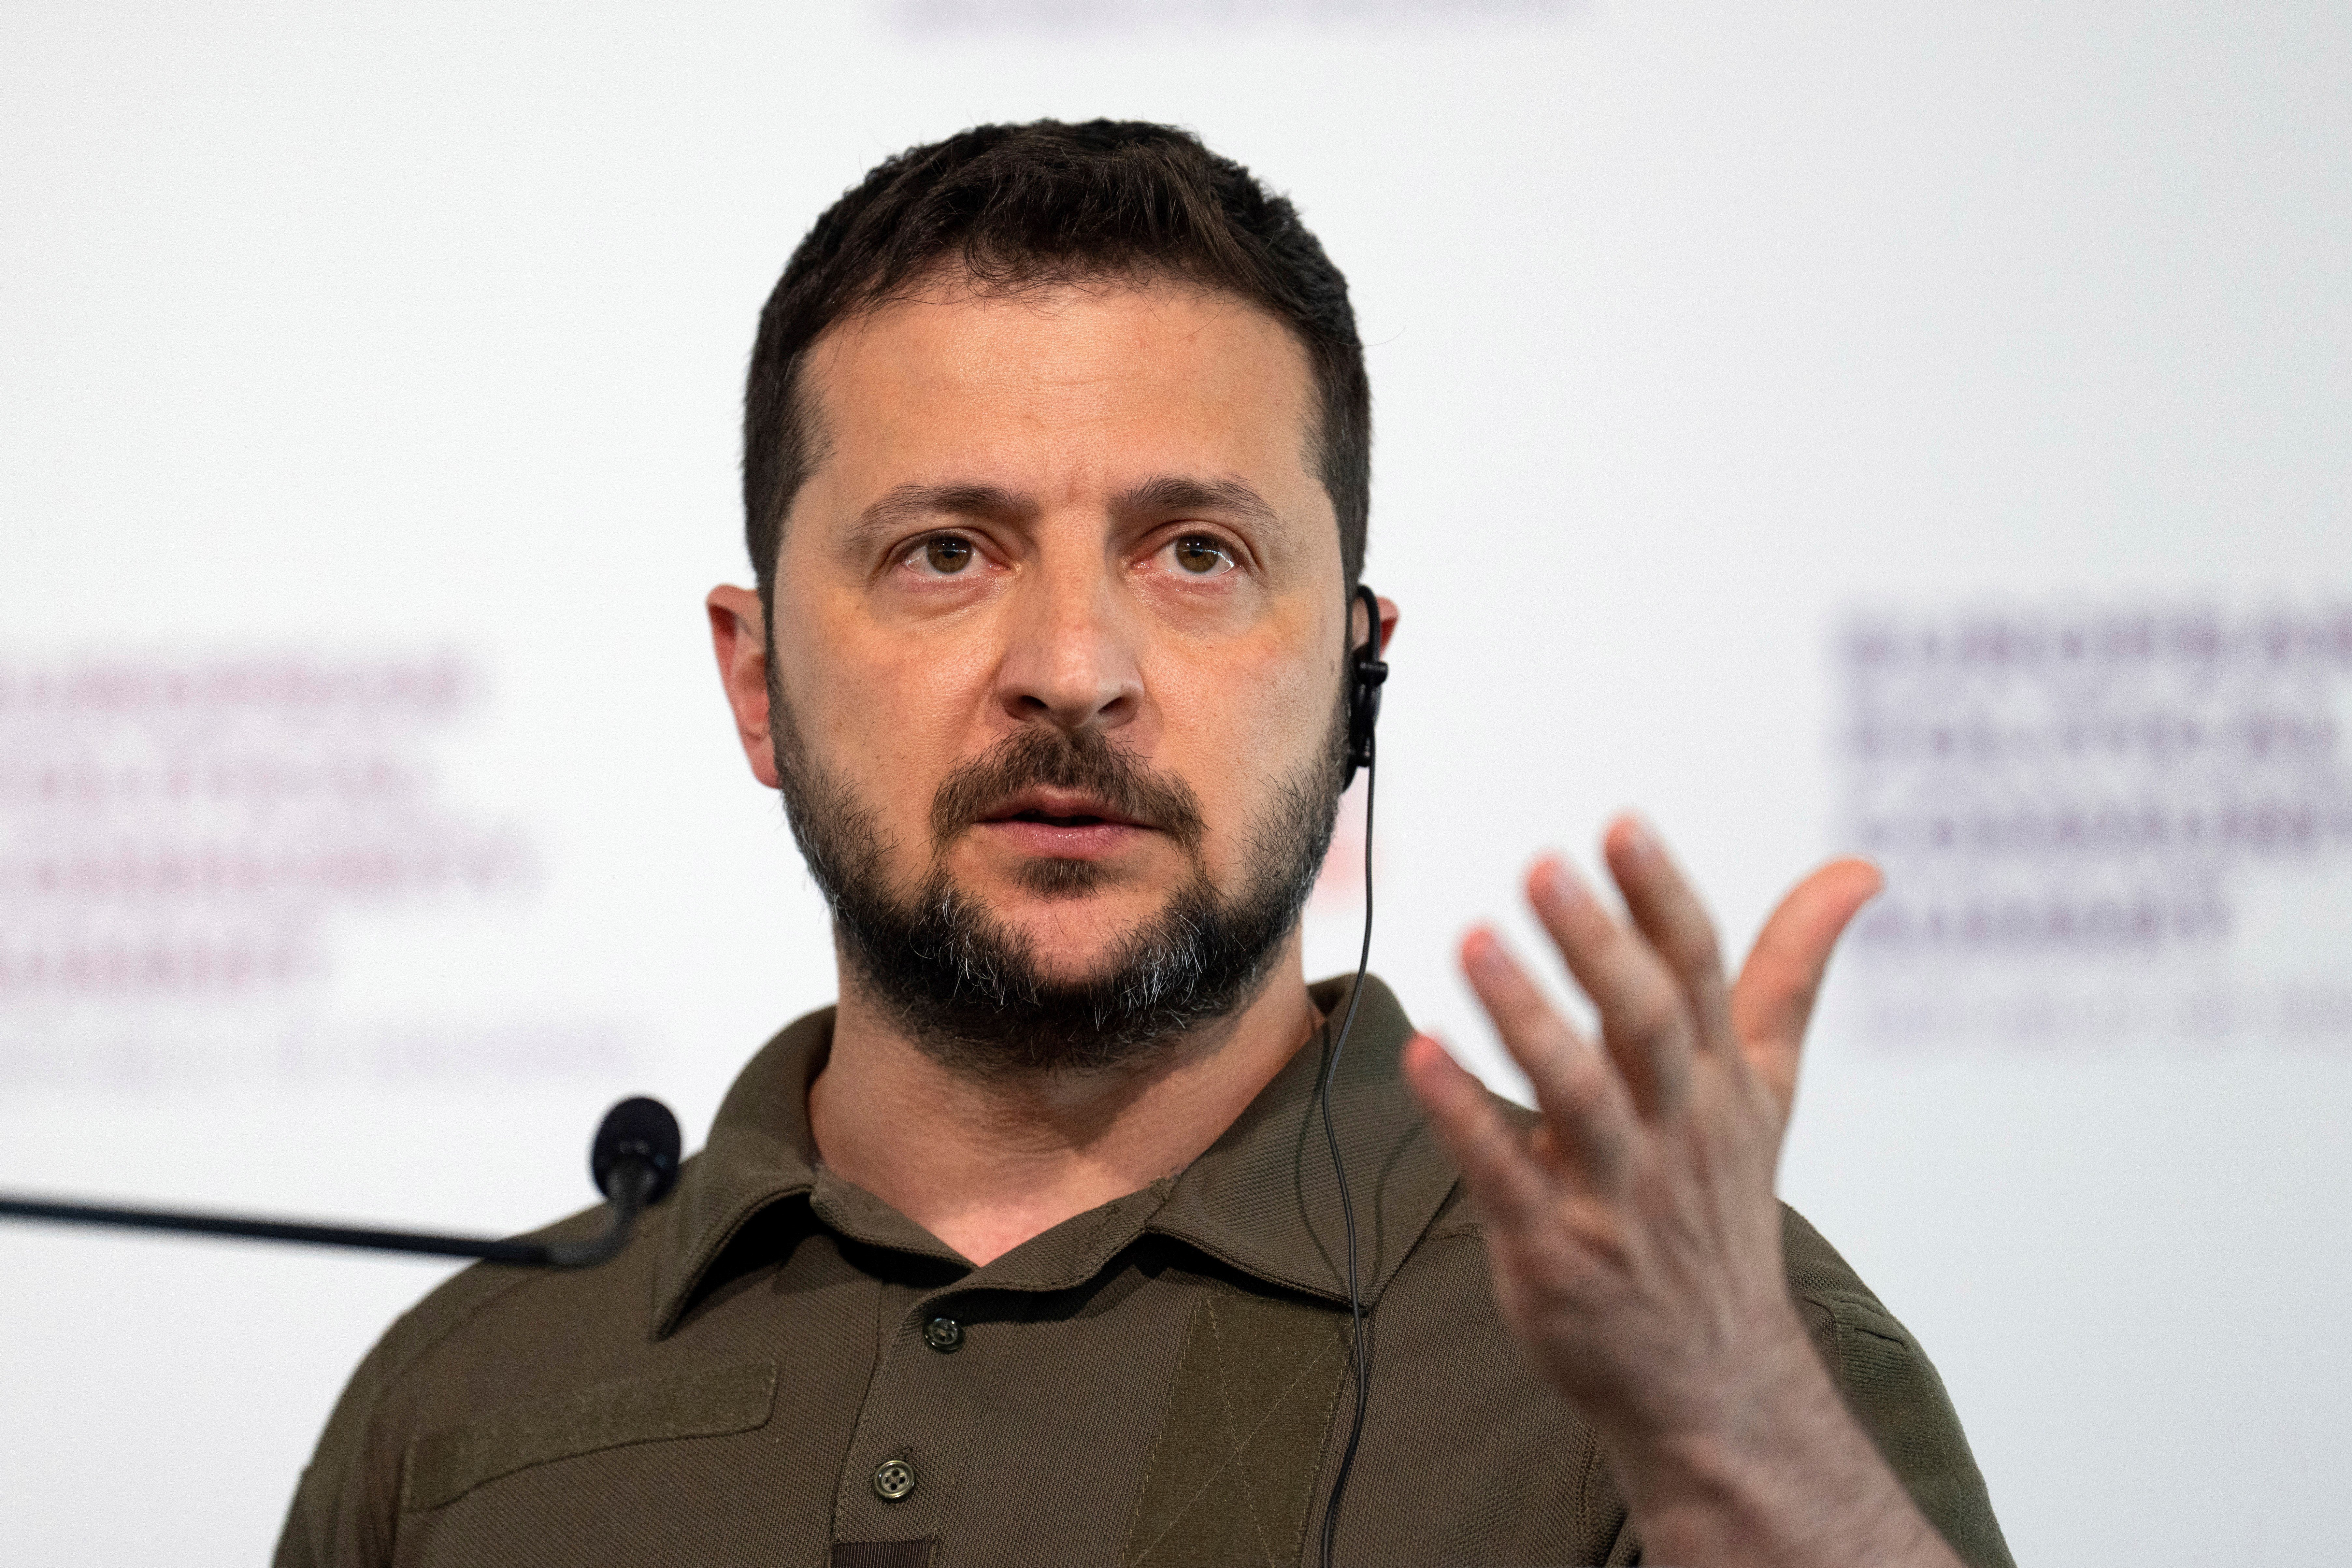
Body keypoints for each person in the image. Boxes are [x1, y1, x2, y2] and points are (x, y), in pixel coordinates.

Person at [276, 120, 2010, 1568]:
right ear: (756, 679)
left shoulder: (1696, 1356)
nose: (1074, 674)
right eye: (944, 551)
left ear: (1355, 672)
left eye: (1194, 552)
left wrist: (1755, 1460)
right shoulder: (459, 1404)